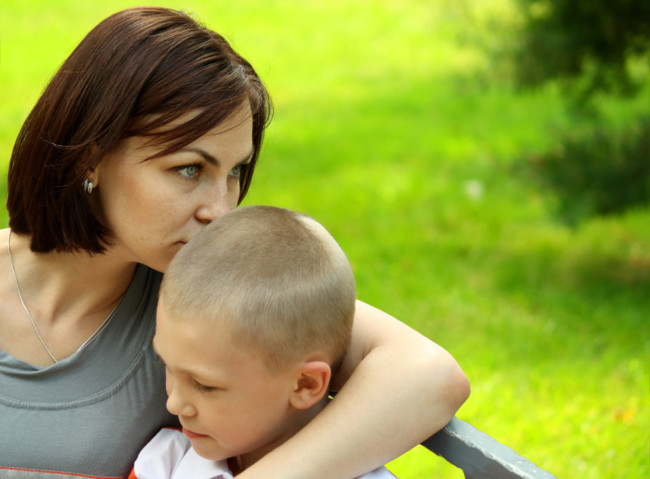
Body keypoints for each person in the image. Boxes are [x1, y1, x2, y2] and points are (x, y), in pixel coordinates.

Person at [0, 6, 469, 479]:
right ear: (91, 157)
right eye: (190, 169)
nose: (220, 210)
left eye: (236, 171)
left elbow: (428, 374)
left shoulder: (206, 301)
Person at [130, 205, 397, 478]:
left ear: (304, 384)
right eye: (166, 365)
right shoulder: (165, 462)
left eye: (204, 385)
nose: (174, 404)